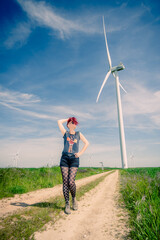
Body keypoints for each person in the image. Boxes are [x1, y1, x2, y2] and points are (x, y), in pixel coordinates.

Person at [57, 117, 89, 214]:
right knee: (65, 182)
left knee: (71, 182)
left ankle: (74, 198)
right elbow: (59, 121)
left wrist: (80, 153)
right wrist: (68, 118)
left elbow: (87, 143)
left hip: (74, 159)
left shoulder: (78, 134)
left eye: (74, 123)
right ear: (68, 125)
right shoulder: (65, 133)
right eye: (71, 123)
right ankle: (67, 204)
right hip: (65, 159)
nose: (73, 124)